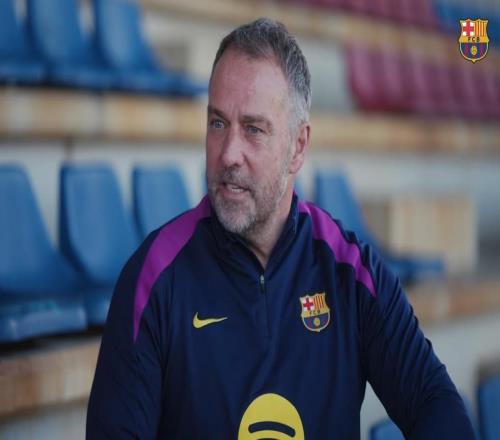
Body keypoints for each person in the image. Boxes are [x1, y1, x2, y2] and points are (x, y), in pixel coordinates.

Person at [86, 18, 475, 439]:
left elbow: (436, 404)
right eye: (218, 123)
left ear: (298, 146)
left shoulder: (350, 272)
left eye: (253, 129)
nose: (229, 153)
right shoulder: (152, 278)